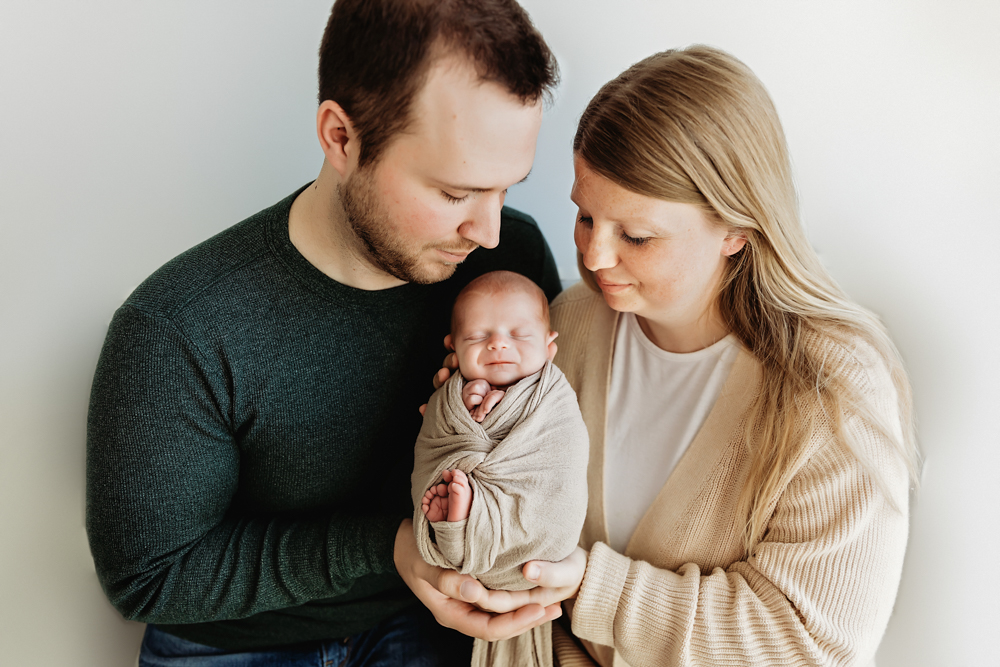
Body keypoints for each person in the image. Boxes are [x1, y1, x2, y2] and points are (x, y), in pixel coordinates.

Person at [85, 1, 565, 664]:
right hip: (238, 639)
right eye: (456, 194)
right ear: (341, 137)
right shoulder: (179, 327)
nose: (486, 231)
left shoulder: (509, 270)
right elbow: (149, 573)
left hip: (436, 621)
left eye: (506, 190)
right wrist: (395, 548)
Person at [438, 46, 919, 667]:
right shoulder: (571, 328)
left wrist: (589, 586)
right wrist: (460, 424)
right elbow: (504, 529)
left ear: (737, 230)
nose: (596, 256)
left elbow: (808, 642)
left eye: (636, 235)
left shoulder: (833, 390)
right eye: (585, 216)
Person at [412, 270, 589, 667]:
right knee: (448, 485)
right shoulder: (454, 388)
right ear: (453, 349)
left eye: (519, 335)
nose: (498, 343)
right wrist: (460, 404)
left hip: (534, 521)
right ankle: (457, 522)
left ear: (550, 346)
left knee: (463, 496)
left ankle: (460, 520)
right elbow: (437, 442)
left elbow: (562, 456)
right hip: (466, 504)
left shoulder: (551, 396)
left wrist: (500, 410)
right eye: (477, 337)